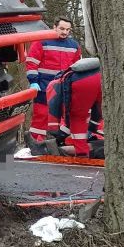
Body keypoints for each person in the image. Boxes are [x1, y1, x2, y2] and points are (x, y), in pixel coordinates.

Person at [26, 18, 80, 152]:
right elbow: (32, 62)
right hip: (44, 87)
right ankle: (34, 143)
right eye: (62, 29)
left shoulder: (74, 46)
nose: (65, 32)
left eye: (67, 30)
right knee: (41, 116)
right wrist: (33, 81)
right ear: (54, 27)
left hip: (64, 88)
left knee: (64, 118)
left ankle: (61, 145)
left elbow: (77, 67)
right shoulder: (41, 41)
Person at [46, 57, 104, 158]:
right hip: (102, 78)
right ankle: (54, 147)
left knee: (77, 118)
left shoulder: (63, 85)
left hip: (97, 140)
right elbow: (98, 112)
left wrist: (54, 130)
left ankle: (80, 153)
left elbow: (69, 117)